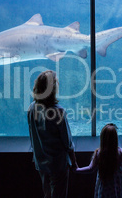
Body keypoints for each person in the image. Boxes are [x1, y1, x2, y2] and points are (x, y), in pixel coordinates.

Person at [27, 70, 78, 198]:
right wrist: (74, 162)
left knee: (47, 193)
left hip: (41, 161)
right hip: (58, 163)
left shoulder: (31, 108)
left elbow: (32, 135)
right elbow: (67, 142)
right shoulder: (58, 111)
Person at [75, 123, 122, 198]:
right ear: (115, 138)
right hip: (117, 186)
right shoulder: (121, 152)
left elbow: (90, 168)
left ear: (102, 138)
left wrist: (77, 169)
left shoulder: (98, 153)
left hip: (104, 187)